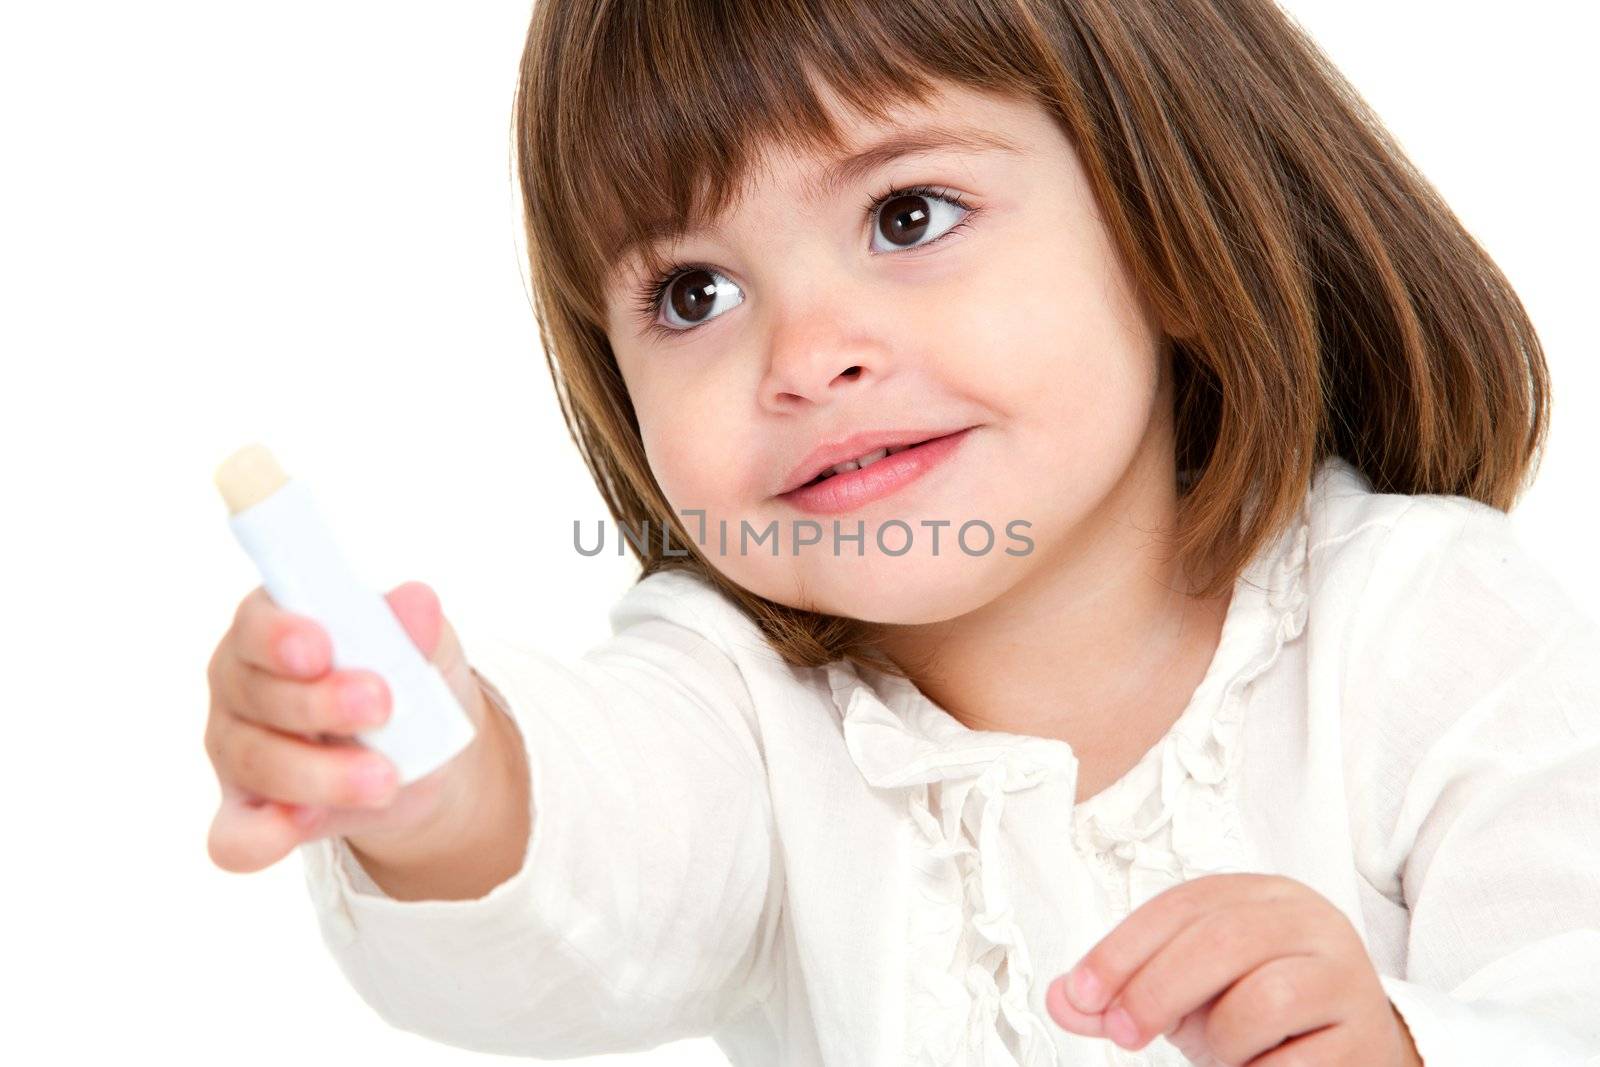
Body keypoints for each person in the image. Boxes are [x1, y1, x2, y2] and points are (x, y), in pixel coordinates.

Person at [203, 1, 1600, 1063]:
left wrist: (1408, 1045)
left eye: (907, 213)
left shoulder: (1439, 632)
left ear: (1171, 220)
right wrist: (439, 786)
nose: (805, 355)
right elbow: (586, 877)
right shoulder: (739, 708)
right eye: (693, 294)